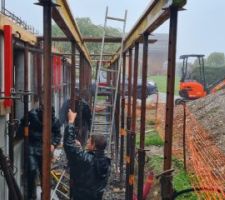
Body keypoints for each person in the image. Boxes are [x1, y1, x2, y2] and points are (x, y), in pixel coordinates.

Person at [64, 109, 111, 200]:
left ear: (93, 146)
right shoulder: (106, 162)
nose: (87, 143)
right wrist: (81, 149)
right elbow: (89, 170)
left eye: (89, 142)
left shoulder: (87, 160)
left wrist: (70, 122)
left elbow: (69, 146)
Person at [17, 105, 62, 200]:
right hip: (32, 146)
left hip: (45, 148)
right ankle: (30, 197)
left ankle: (45, 195)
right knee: (31, 171)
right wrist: (21, 134)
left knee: (45, 173)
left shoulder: (55, 120)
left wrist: (53, 144)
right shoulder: (32, 114)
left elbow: (58, 134)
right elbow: (22, 123)